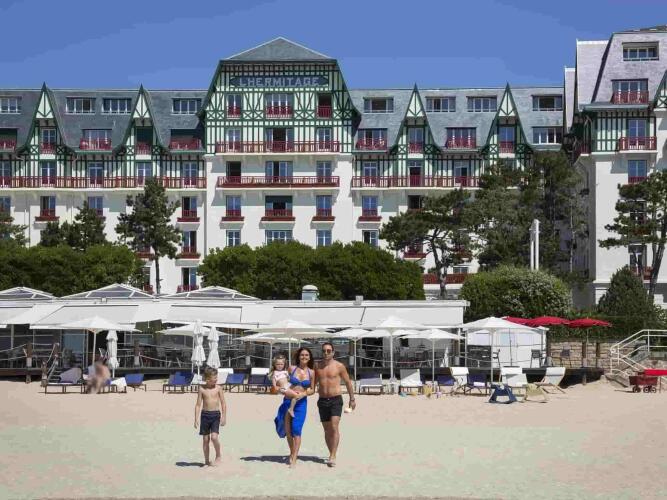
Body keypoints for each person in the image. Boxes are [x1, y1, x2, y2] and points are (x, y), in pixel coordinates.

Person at [314, 342, 356, 467]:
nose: (326, 353)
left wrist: (352, 399)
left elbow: (348, 382)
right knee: (327, 430)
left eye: (328, 351)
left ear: (333, 352)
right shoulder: (317, 366)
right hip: (322, 400)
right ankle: (331, 453)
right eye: (324, 351)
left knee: (334, 426)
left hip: (336, 400)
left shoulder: (339, 366)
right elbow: (312, 383)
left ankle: (333, 455)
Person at [274, 347, 315, 468]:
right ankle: (292, 452)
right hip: (288, 401)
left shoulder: (312, 372)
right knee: (288, 431)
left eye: (306, 355)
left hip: (301, 403)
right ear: (298, 356)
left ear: (309, 357)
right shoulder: (291, 368)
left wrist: (304, 393)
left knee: (296, 429)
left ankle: (294, 458)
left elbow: (313, 389)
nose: (304, 357)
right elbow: (281, 381)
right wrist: (280, 389)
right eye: (302, 355)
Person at [194, 366, 227, 466]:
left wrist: (224, 417)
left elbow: (223, 403)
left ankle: (218, 455)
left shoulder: (218, 388)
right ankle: (207, 461)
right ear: (207, 379)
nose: (216, 379)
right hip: (205, 415)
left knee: (214, 437)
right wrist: (196, 418)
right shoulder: (202, 389)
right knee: (205, 440)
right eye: (214, 378)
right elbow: (198, 405)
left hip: (215, 415)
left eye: (217, 377)